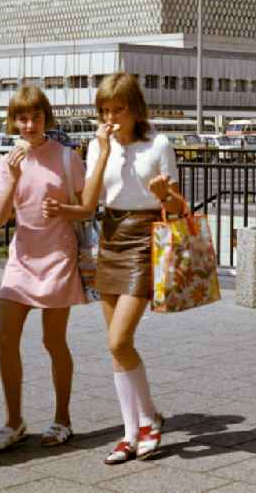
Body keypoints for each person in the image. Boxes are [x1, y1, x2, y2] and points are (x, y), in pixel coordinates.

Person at [83, 73, 186, 464]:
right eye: (105, 110)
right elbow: (89, 201)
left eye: (118, 109)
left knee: (118, 340)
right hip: (108, 234)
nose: (111, 117)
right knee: (116, 346)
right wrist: (104, 151)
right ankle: (136, 428)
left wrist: (165, 194)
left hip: (144, 236)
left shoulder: (158, 143)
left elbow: (178, 205)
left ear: (134, 107)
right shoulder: (99, 146)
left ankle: (147, 423)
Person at [0, 86, 86, 453]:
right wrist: (11, 179)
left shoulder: (66, 157)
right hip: (21, 260)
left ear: (46, 118)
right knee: (5, 338)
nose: (30, 125)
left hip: (58, 259)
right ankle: (14, 421)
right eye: (23, 118)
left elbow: (88, 207)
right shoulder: (7, 161)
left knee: (53, 341)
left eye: (36, 117)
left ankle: (63, 419)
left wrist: (63, 211)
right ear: (13, 121)